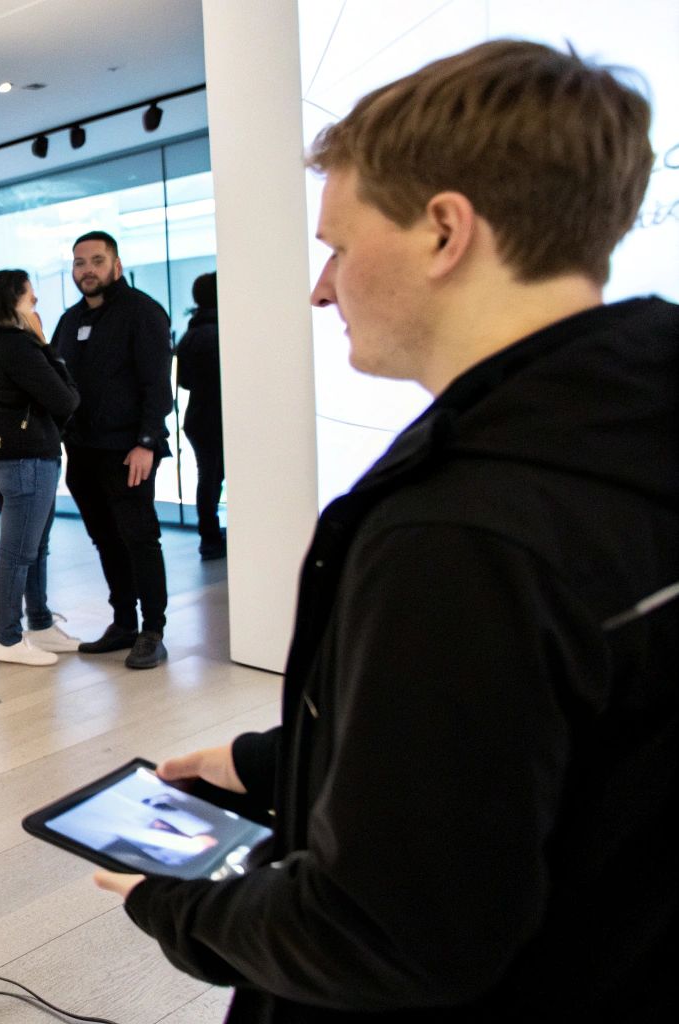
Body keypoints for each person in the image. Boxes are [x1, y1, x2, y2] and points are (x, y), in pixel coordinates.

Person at [92, 40, 677, 1021]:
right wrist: (273, 765)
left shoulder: (459, 537)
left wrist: (174, 902)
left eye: (337, 244)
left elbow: (384, 934)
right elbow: (542, 747)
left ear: (444, 231)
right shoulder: (631, 436)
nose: (321, 287)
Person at [48, 231, 174, 669]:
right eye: (80, 262)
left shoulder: (143, 313)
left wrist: (147, 442)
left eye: (97, 260)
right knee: (105, 540)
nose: (87, 270)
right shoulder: (69, 320)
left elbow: (158, 386)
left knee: (140, 539)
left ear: (115, 264)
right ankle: (123, 623)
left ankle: (152, 630)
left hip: (128, 452)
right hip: (82, 452)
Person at [0, 269, 82, 665]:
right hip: (27, 462)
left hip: (4, 460)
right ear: (13, 301)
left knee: (31, 549)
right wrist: (44, 342)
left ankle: (41, 623)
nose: (36, 305)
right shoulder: (19, 346)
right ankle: (10, 639)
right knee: (18, 553)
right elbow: (66, 400)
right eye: (31, 298)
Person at [174, 272, 225, 559]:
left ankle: (210, 536)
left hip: (198, 416)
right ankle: (211, 538)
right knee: (211, 477)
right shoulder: (219, 331)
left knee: (208, 477)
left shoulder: (191, 333)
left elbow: (185, 382)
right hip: (214, 417)